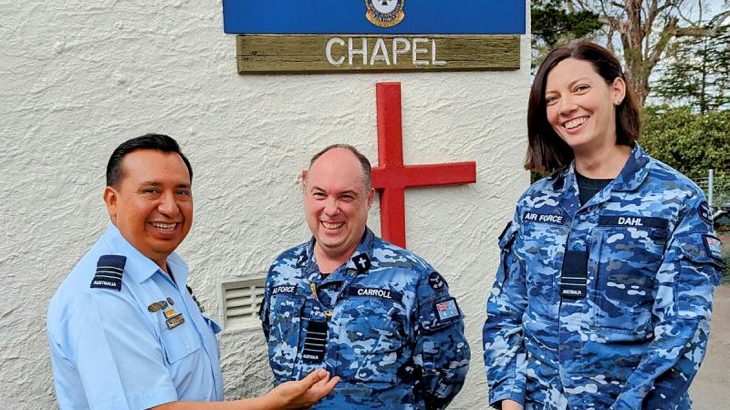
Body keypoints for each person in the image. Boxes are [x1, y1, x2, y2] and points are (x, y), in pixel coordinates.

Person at [483, 40, 723, 410]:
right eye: (552, 99)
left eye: (580, 88)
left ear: (616, 90)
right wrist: (509, 399)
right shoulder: (535, 203)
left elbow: (682, 331)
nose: (566, 107)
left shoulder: (676, 199)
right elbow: (506, 311)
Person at [47, 134, 339, 409]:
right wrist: (271, 404)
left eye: (182, 192)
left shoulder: (165, 270)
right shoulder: (101, 299)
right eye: (151, 191)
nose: (171, 207)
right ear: (112, 201)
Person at [260, 144, 470, 409]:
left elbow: (448, 371)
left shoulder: (412, 278)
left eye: (346, 196)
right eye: (320, 194)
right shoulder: (283, 270)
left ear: (369, 198)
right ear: (305, 192)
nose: (331, 209)